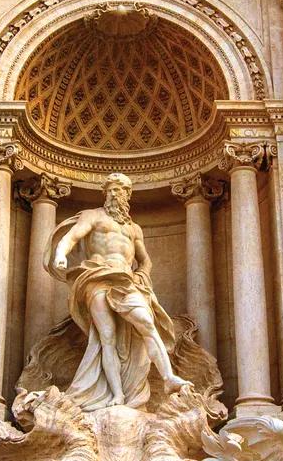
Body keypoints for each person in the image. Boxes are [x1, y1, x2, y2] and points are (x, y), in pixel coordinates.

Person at [46, 173, 189, 410]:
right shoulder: (93, 216)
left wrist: (142, 276)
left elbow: (145, 261)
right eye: (111, 190)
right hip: (97, 276)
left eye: (120, 190)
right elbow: (71, 237)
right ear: (105, 194)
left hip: (126, 280)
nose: (115, 194)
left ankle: (168, 378)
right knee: (107, 337)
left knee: (146, 323)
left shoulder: (134, 229)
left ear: (127, 195)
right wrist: (60, 254)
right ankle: (117, 395)